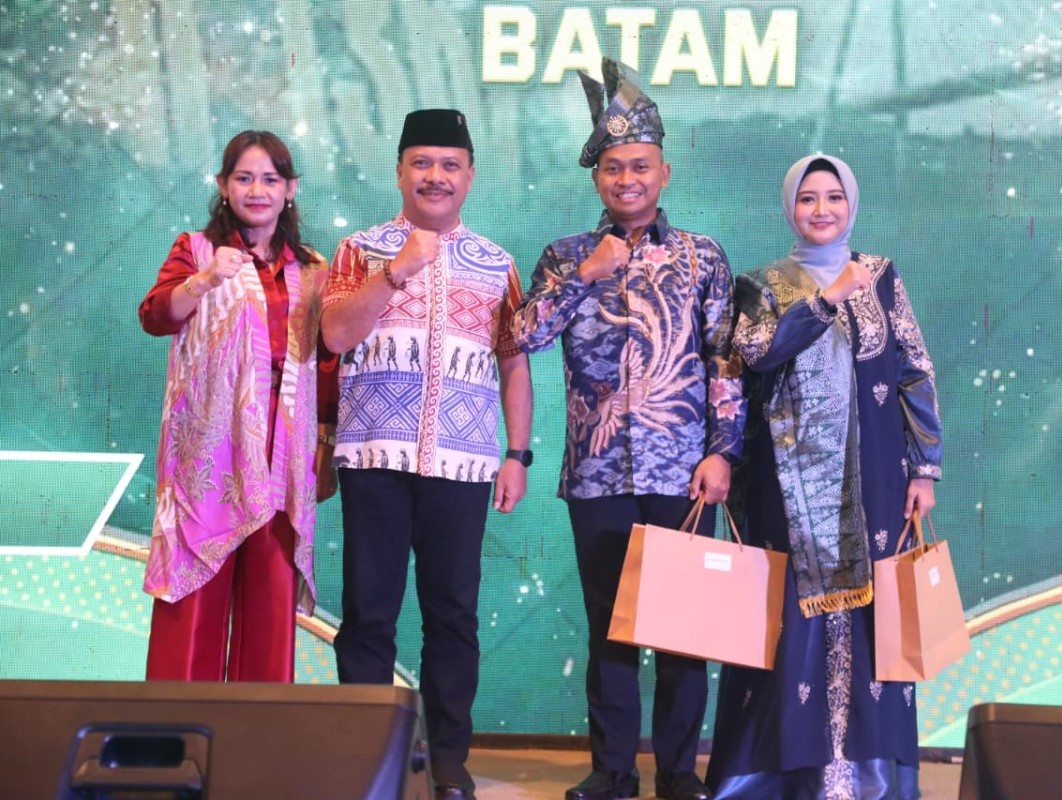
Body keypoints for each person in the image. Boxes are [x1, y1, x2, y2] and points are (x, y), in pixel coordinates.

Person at [513, 59, 745, 800]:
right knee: (609, 628)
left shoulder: (702, 257)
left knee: (682, 633)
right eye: (613, 168)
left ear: (664, 173)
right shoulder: (565, 257)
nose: (627, 180)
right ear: (597, 179)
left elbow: (725, 359)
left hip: (682, 470)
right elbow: (520, 336)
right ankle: (612, 772)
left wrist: (722, 452)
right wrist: (587, 274)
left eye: (640, 166)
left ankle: (678, 773)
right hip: (599, 471)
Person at [705, 154, 943, 800]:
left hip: (876, 484)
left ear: (851, 203)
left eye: (833, 197)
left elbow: (914, 371)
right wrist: (825, 299)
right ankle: (781, 780)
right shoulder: (761, 285)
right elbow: (755, 353)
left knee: (877, 627)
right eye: (807, 198)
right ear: (790, 208)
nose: (821, 210)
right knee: (787, 630)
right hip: (788, 490)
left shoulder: (882, 277)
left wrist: (925, 467)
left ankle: (871, 777)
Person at [321, 109, 533, 800]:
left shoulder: (498, 264)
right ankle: (367, 757)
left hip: (462, 462)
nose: (435, 176)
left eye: (449, 165)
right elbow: (334, 335)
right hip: (374, 457)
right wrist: (394, 273)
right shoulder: (359, 250)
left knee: (453, 615)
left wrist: (518, 453)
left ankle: (448, 759)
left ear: (469, 175)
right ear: (399, 172)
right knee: (368, 612)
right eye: (421, 163)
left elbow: (513, 362)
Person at [139, 129, 337, 683]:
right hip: (212, 448)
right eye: (244, 178)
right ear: (223, 186)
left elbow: (326, 364)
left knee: (270, 604)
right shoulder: (196, 251)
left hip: (283, 451)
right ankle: (177, 727)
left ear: (290, 189)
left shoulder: (312, 268)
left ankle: (260, 734)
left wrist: (324, 444)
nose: (257, 190)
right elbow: (155, 316)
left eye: (270, 179)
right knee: (195, 591)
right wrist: (202, 283)